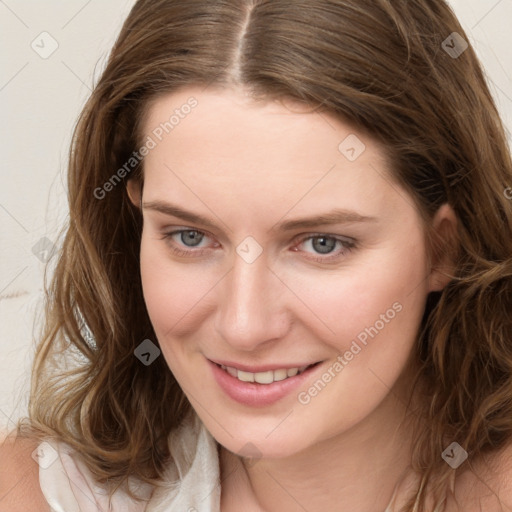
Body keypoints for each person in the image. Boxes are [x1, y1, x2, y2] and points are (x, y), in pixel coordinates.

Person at [1, 0, 512, 510]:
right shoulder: (36, 495)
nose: (244, 327)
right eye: (190, 237)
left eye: (321, 244)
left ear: (443, 248)